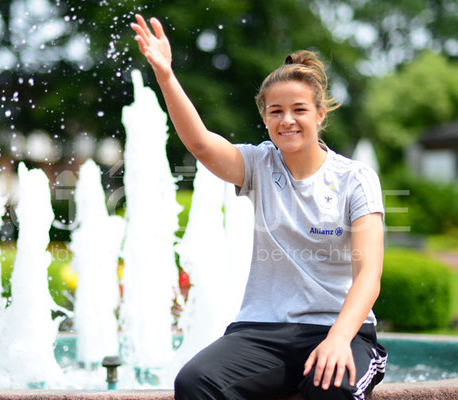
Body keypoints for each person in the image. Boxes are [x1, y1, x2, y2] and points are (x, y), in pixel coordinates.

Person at [131, 14, 387, 400]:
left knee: (331, 391)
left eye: (299, 109)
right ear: (264, 116)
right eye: (275, 111)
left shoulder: (355, 178)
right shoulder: (258, 164)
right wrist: (166, 75)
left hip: (342, 329)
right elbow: (200, 144)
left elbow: (368, 273)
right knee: (195, 382)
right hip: (263, 331)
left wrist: (337, 339)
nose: (287, 120)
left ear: (320, 114)